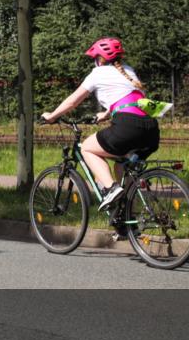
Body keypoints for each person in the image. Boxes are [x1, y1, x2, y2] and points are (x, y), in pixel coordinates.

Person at [40, 37, 160, 211]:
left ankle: (112, 188)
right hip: (151, 129)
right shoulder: (128, 70)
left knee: (86, 148)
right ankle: (126, 220)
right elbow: (132, 99)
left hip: (128, 127)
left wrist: (51, 116)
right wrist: (106, 114)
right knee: (121, 165)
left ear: (100, 59)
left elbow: (73, 101)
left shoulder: (97, 73)